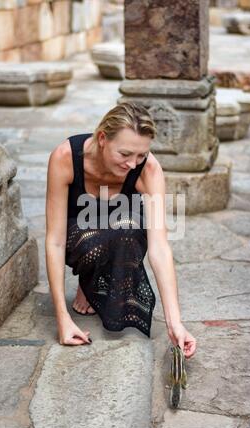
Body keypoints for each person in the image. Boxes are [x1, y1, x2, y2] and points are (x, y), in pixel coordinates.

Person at [45, 102, 196, 359]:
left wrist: (175, 323)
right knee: (94, 238)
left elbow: (159, 247)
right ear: (102, 138)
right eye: (125, 153)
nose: (132, 163)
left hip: (121, 223)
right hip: (78, 231)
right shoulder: (65, 157)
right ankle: (88, 276)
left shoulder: (147, 169)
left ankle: (91, 284)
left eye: (140, 155)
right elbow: (55, 241)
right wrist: (62, 318)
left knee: (128, 230)